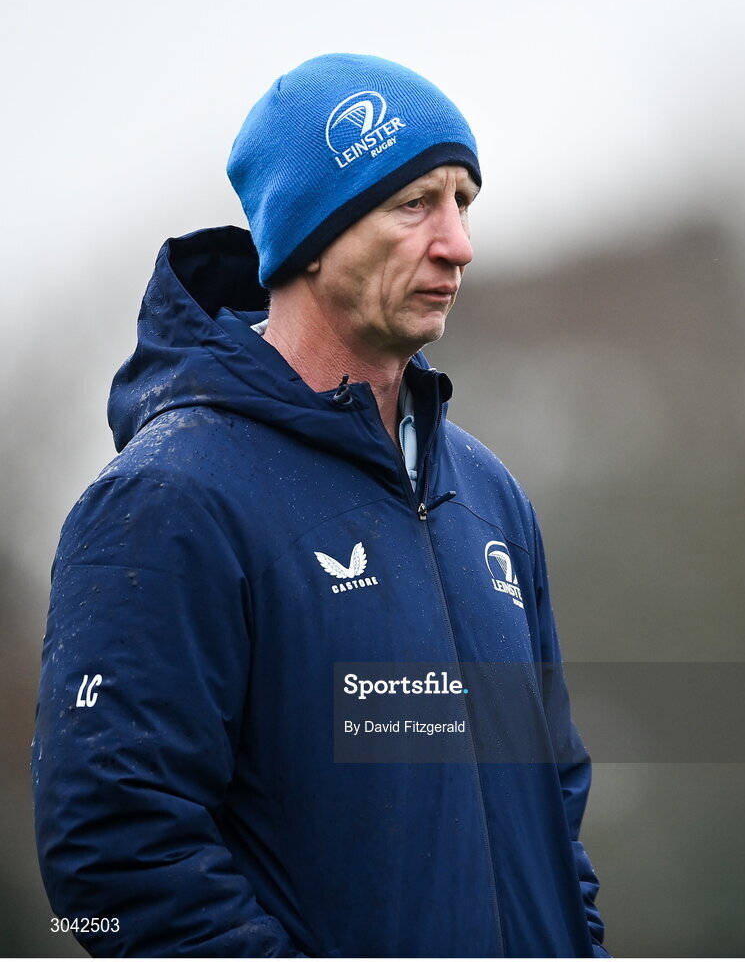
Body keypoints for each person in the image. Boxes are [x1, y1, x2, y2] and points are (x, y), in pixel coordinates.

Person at [33, 53, 609, 958]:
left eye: (465, 202)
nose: (458, 243)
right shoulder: (168, 497)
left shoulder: (491, 497)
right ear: (311, 236)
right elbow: (108, 865)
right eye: (415, 203)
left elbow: (556, 813)